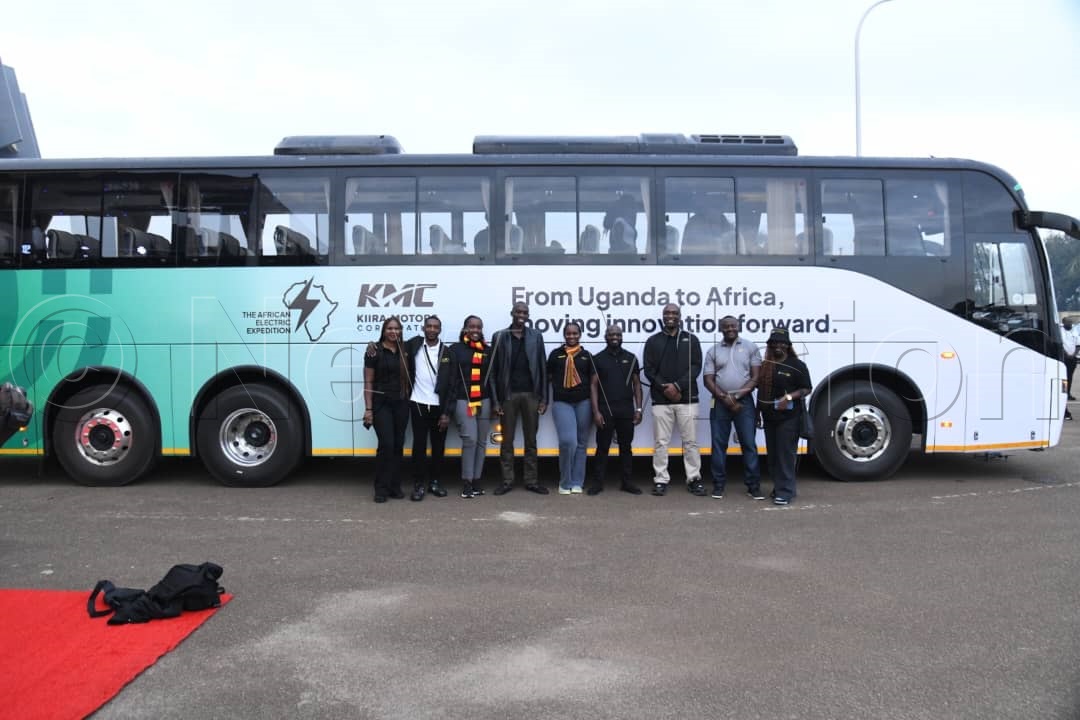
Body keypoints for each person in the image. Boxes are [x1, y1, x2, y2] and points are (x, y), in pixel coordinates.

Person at [643, 304, 703, 496]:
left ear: (680, 316)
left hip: (688, 399)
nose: (671, 316)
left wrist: (677, 386)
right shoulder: (653, 341)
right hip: (661, 400)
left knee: (690, 442)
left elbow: (696, 367)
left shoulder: (691, 339)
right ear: (663, 316)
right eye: (667, 313)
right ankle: (661, 479)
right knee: (661, 442)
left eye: (674, 313)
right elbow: (649, 369)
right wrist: (665, 388)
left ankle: (694, 479)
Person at [490, 302, 550, 495]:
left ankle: (531, 481)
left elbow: (542, 368)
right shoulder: (500, 336)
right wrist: (495, 401)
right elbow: (492, 372)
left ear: (528, 315)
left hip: (532, 395)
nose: (521, 315)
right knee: (507, 441)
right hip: (507, 396)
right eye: (518, 311)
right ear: (512, 313)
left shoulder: (536, 336)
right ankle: (507, 481)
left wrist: (544, 399)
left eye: (525, 312)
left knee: (531, 441)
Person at [703, 315, 763, 500]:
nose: (730, 329)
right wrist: (725, 398)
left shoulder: (751, 347)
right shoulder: (713, 351)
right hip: (719, 403)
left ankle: (753, 486)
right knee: (718, 445)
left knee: (749, 444)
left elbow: (756, 378)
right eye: (726, 326)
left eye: (733, 326)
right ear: (721, 329)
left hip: (744, 403)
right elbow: (708, 380)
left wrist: (736, 398)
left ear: (738, 326)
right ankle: (718, 485)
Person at [755, 328, 813, 506]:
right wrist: (758, 413)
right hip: (769, 417)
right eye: (774, 343)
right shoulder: (765, 365)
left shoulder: (797, 365)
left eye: (781, 343)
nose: (777, 346)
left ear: (788, 345)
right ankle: (780, 487)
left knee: (785, 456)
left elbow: (806, 389)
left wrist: (788, 397)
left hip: (789, 418)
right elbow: (761, 392)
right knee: (772, 457)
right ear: (769, 345)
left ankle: (785, 492)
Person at [440, 315, 495, 498]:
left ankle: (477, 480)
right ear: (465, 328)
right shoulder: (455, 349)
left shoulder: (487, 350)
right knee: (470, 439)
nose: (475, 330)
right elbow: (450, 379)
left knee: (481, 442)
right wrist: (447, 407)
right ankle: (467, 482)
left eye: (478, 327)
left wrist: (496, 403)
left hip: (484, 400)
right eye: (472, 326)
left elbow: (492, 378)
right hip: (463, 400)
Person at [588, 324, 644, 495]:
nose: (615, 337)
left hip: (626, 410)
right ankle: (598, 483)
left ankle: (626, 482)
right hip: (605, 410)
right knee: (602, 447)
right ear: (605, 337)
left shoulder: (631, 358)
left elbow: (637, 384)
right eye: (611, 334)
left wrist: (639, 409)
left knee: (626, 448)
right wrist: (596, 412)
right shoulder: (597, 359)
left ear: (622, 337)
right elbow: (593, 385)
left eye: (618, 334)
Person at [363, 316, 412, 503]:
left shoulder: (406, 350)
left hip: (401, 403)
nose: (394, 332)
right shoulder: (374, 351)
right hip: (381, 404)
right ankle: (381, 488)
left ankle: (394, 486)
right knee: (386, 445)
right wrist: (368, 409)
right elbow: (368, 381)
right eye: (390, 328)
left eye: (397, 329)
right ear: (384, 331)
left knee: (398, 445)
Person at [404, 316, 452, 500]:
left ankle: (435, 482)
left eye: (435, 327)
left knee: (438, 447)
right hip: (418, 403)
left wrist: (446, 412)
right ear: (423, 328)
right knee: (419, 446)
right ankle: (418, 484)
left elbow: (452, 385)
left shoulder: (447, 352)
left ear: (440, 330)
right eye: (429, 326)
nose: (432, 329)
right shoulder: (413, 345)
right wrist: (373, 345)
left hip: (439, 407)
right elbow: (392, 345)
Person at [547, 322, 594, 494]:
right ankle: (565, 482)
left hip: (584, 402)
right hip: (562, 402)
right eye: (568, 333)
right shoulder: (555, 354)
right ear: (564, 335)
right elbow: (548, 377)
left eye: (575, 333)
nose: (572, 336)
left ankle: (577, 481)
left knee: (581, 443)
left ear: (580, 335)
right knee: (568, 441)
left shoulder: (586, 356)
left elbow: (593, 382)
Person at [1062, 319, 1076, 419]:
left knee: (1069, 379)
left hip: (1072, 360)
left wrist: (1073, 355)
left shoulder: (1074, 331)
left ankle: (1067, 393)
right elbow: (1059, 344)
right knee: (1064, 380)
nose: (1070, 324)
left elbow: (1078, 344)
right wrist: (1066, 354)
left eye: (1071, 323)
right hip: (1063, 359)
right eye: (1068, 322)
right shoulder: (1060, 331)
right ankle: (1064, 409)